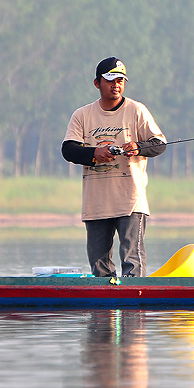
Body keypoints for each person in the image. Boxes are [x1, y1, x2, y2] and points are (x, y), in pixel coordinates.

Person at [62, 57, 167, 277]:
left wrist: (138, 147)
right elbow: (68, 150)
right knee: (99, 268)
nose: (116, 85)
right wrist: (94, 153)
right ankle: (104, 310)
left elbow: (159, 144)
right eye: (110, 80)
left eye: (120, 80)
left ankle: (133, 308)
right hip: (96, 203)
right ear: (97, 83)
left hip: (131, 200)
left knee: (132, 263)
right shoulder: (82, 115)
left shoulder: (137, 111)